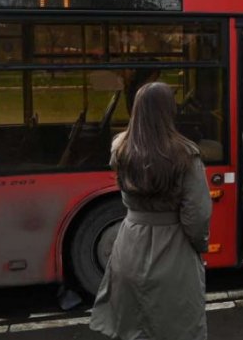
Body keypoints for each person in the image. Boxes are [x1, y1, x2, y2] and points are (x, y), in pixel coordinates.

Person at [90, 82, 212, 340]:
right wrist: (199, 245)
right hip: (173, 247)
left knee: (134, 326)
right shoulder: (185, 154)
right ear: (169, 111)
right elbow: (197, 214)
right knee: (176, 326)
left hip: (129, 244)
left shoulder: (120, 147)